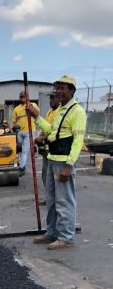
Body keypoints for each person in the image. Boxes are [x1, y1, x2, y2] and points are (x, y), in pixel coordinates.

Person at [27, 75, 87, 250]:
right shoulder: (61, 110)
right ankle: (52, 232)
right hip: (53, 159)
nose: (58, 92)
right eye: (57, 88)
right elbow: (52, 132)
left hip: (63, 163)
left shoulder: (77, 112)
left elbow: (77, 141)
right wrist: (37, 117)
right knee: (52, 200)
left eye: (62, 88)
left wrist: (69, 166)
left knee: (65, 201)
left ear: (72, 90)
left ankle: (66, 237)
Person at [11, 91, 39, 176]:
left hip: (29, 132)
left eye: (24, 96)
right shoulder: (16, 109)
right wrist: (11, 129)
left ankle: (21, 168)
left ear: (27, 97)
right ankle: (21, 164)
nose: (22, 98)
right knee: (19, 150)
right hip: (19, 132)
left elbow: (37, 113)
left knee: (24, 150)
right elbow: (13, 121)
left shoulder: (33, 105)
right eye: (21, 97)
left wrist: (30, 107)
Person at [34, 93, 60, 186]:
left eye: (54, 98)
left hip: (54, 149)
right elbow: (45, 128)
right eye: (50, 99)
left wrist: (42, 138)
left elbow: (55, 132)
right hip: (46, 149)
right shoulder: (49, 112)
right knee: (45, 174)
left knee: (50, 176)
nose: (51, 101)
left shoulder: (59, 113)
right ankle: (49, 198)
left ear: (59, 99)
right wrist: (37, 139)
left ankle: (51, 198)